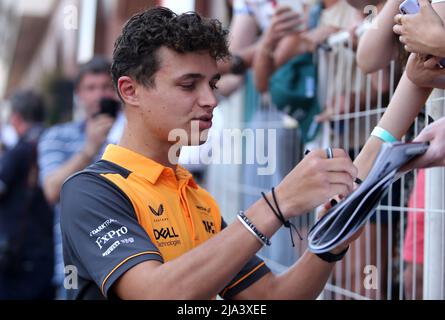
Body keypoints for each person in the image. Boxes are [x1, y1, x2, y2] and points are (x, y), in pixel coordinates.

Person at [60, 7, 362, 300]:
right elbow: (156, 294)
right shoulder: (90, 190)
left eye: (213, 84)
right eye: (189, 85)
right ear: (130, 91)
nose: (210, 100)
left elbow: (272, 296)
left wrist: (331, 238)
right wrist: (277, 203)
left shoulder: (196, 197)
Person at [38, 56, 121, 299]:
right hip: (73, 268)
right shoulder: (57, 136)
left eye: (106, 87)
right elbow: (52, 190)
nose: (99, 95)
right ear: (79, 94)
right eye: (91, 88)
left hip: (129, 263)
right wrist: (89, 149)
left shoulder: (132, 134)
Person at [0, 91, 54, 299]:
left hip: (20, 254)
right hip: (50, 248)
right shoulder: (52, 142)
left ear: (15, 118)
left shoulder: (20, 151)